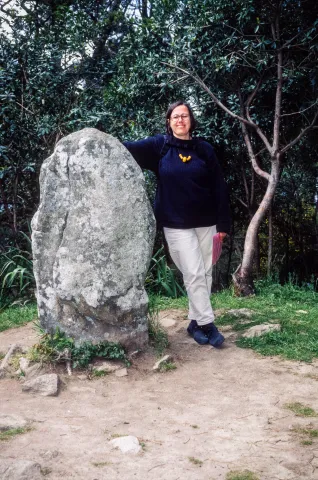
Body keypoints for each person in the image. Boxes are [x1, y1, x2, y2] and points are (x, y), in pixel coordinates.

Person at [124, 101, 231, 347]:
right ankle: (208, 324)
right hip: (175, 224)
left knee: (204, 273)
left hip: (207, 223)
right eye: (175, 117)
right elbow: (126, 149)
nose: (180, 120)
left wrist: (223, 224)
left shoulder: (204, 149)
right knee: (193, 273)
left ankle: (194, 323)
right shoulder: (159, 147)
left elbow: (219, 187)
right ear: (169, 122)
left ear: (191, 121)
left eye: (184, 116)